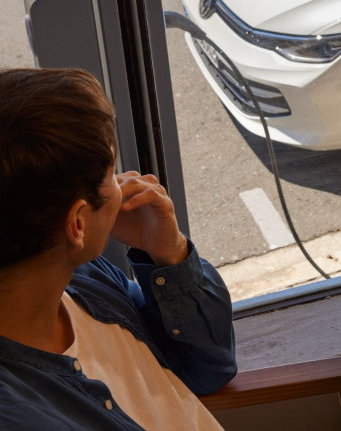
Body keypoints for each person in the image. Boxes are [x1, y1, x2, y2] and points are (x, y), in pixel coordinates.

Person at [0, 67, 237, 430]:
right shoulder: (20, 413)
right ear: (78, 222)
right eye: (111, 173)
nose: (127, 181)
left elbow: (209, 366)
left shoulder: (85, 281)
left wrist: (169, 254)